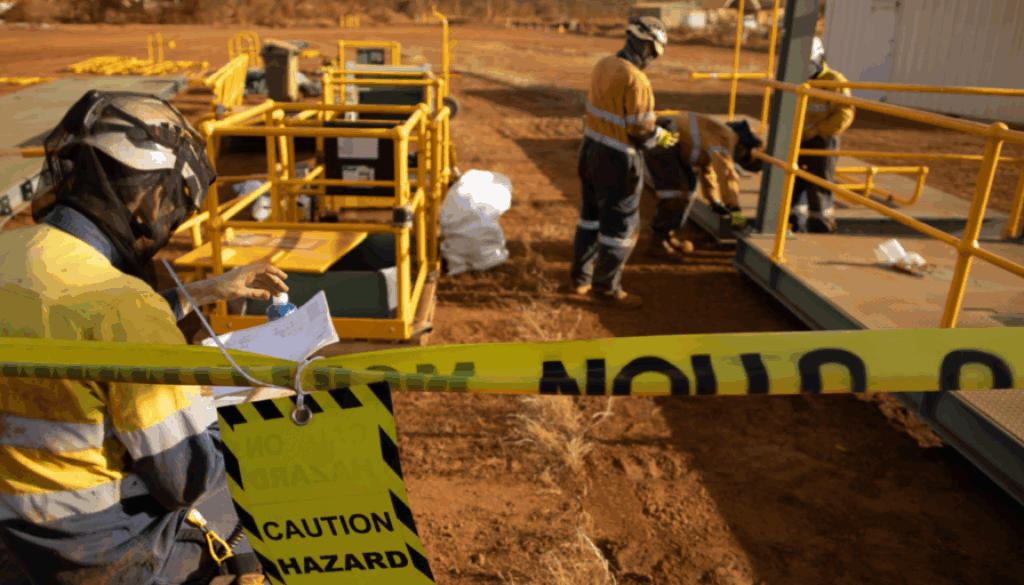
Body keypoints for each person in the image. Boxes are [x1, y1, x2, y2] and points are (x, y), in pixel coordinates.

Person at [0, 90, 289, 585]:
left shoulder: (12, 251)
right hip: (98, 554)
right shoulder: (125, 307)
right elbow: (185, 479)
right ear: (154, 196)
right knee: (245, 507)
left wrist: (204, 291)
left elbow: (76, 322)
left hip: (10, 535)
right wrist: (248, 403)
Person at [568, 15, 679, 309]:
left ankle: (581, 279)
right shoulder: (637, 80)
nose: (652, 59)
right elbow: (640, 129)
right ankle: (606, 289)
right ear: (647, 47)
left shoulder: (603, 65)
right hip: (617, 159)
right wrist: (662, 138)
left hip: (590, 150)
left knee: (590, 218)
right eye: (654, 53)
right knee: (620, 228)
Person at [645, 114, 765, 259]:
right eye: (744, 159)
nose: (739, 161)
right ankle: (658, 242)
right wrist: (735, 210)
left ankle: (666, 236)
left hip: (670, 139)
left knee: (689, 188)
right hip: (664, 137)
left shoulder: (717, 139)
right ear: (744, 147)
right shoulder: (726, 140)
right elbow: (727, 174)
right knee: (677, 191)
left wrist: (714, 202)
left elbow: (708, 171)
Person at [790, 37, 855, 234]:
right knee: (793, 182)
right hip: (797, 139)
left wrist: (817, 131)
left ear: (819, 59)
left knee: (819, 185)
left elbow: (844, 114)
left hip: (822, 140)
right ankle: (794, 222)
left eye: (808, 63)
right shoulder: (796, 79)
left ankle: (821, 226)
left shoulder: (834, 80)